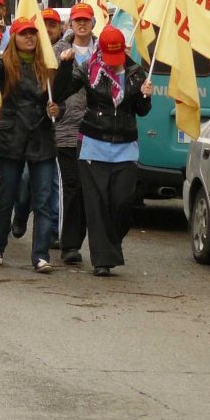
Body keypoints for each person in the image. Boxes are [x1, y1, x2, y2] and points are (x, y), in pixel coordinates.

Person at [54, 23, 153, 276]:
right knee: (96, 205)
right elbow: (60, 92)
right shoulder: (88, 68)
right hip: (93, 144)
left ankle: (111, 244)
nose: (112, 61)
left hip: (125, 146)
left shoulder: (136, 72)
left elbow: (142, 111)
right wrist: (65, 65)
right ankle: (102, 260)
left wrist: (145, 96)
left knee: (122, 202)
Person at [0, 17, 59, 273]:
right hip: (11, 138)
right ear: (14, 38)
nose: (29, 37)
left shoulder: (47, 66)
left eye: (33, 33)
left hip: (41, 138)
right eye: (24, 33)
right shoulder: (4, 64)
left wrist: (56, 109)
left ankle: (41, 255)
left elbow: (60, 99)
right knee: (6, 196)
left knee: (43, 200)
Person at [52, 2, 97, 265]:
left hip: (95, 132)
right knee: (72, 187)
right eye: (77, 20)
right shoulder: (58, 50)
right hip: (66, 130)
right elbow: (50, 86)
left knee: (88, 190)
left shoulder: (103, 51)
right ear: (70, 24)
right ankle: (69, 245)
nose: (81, 24)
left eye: (86, 20)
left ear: (93, 23)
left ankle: (79, 241)